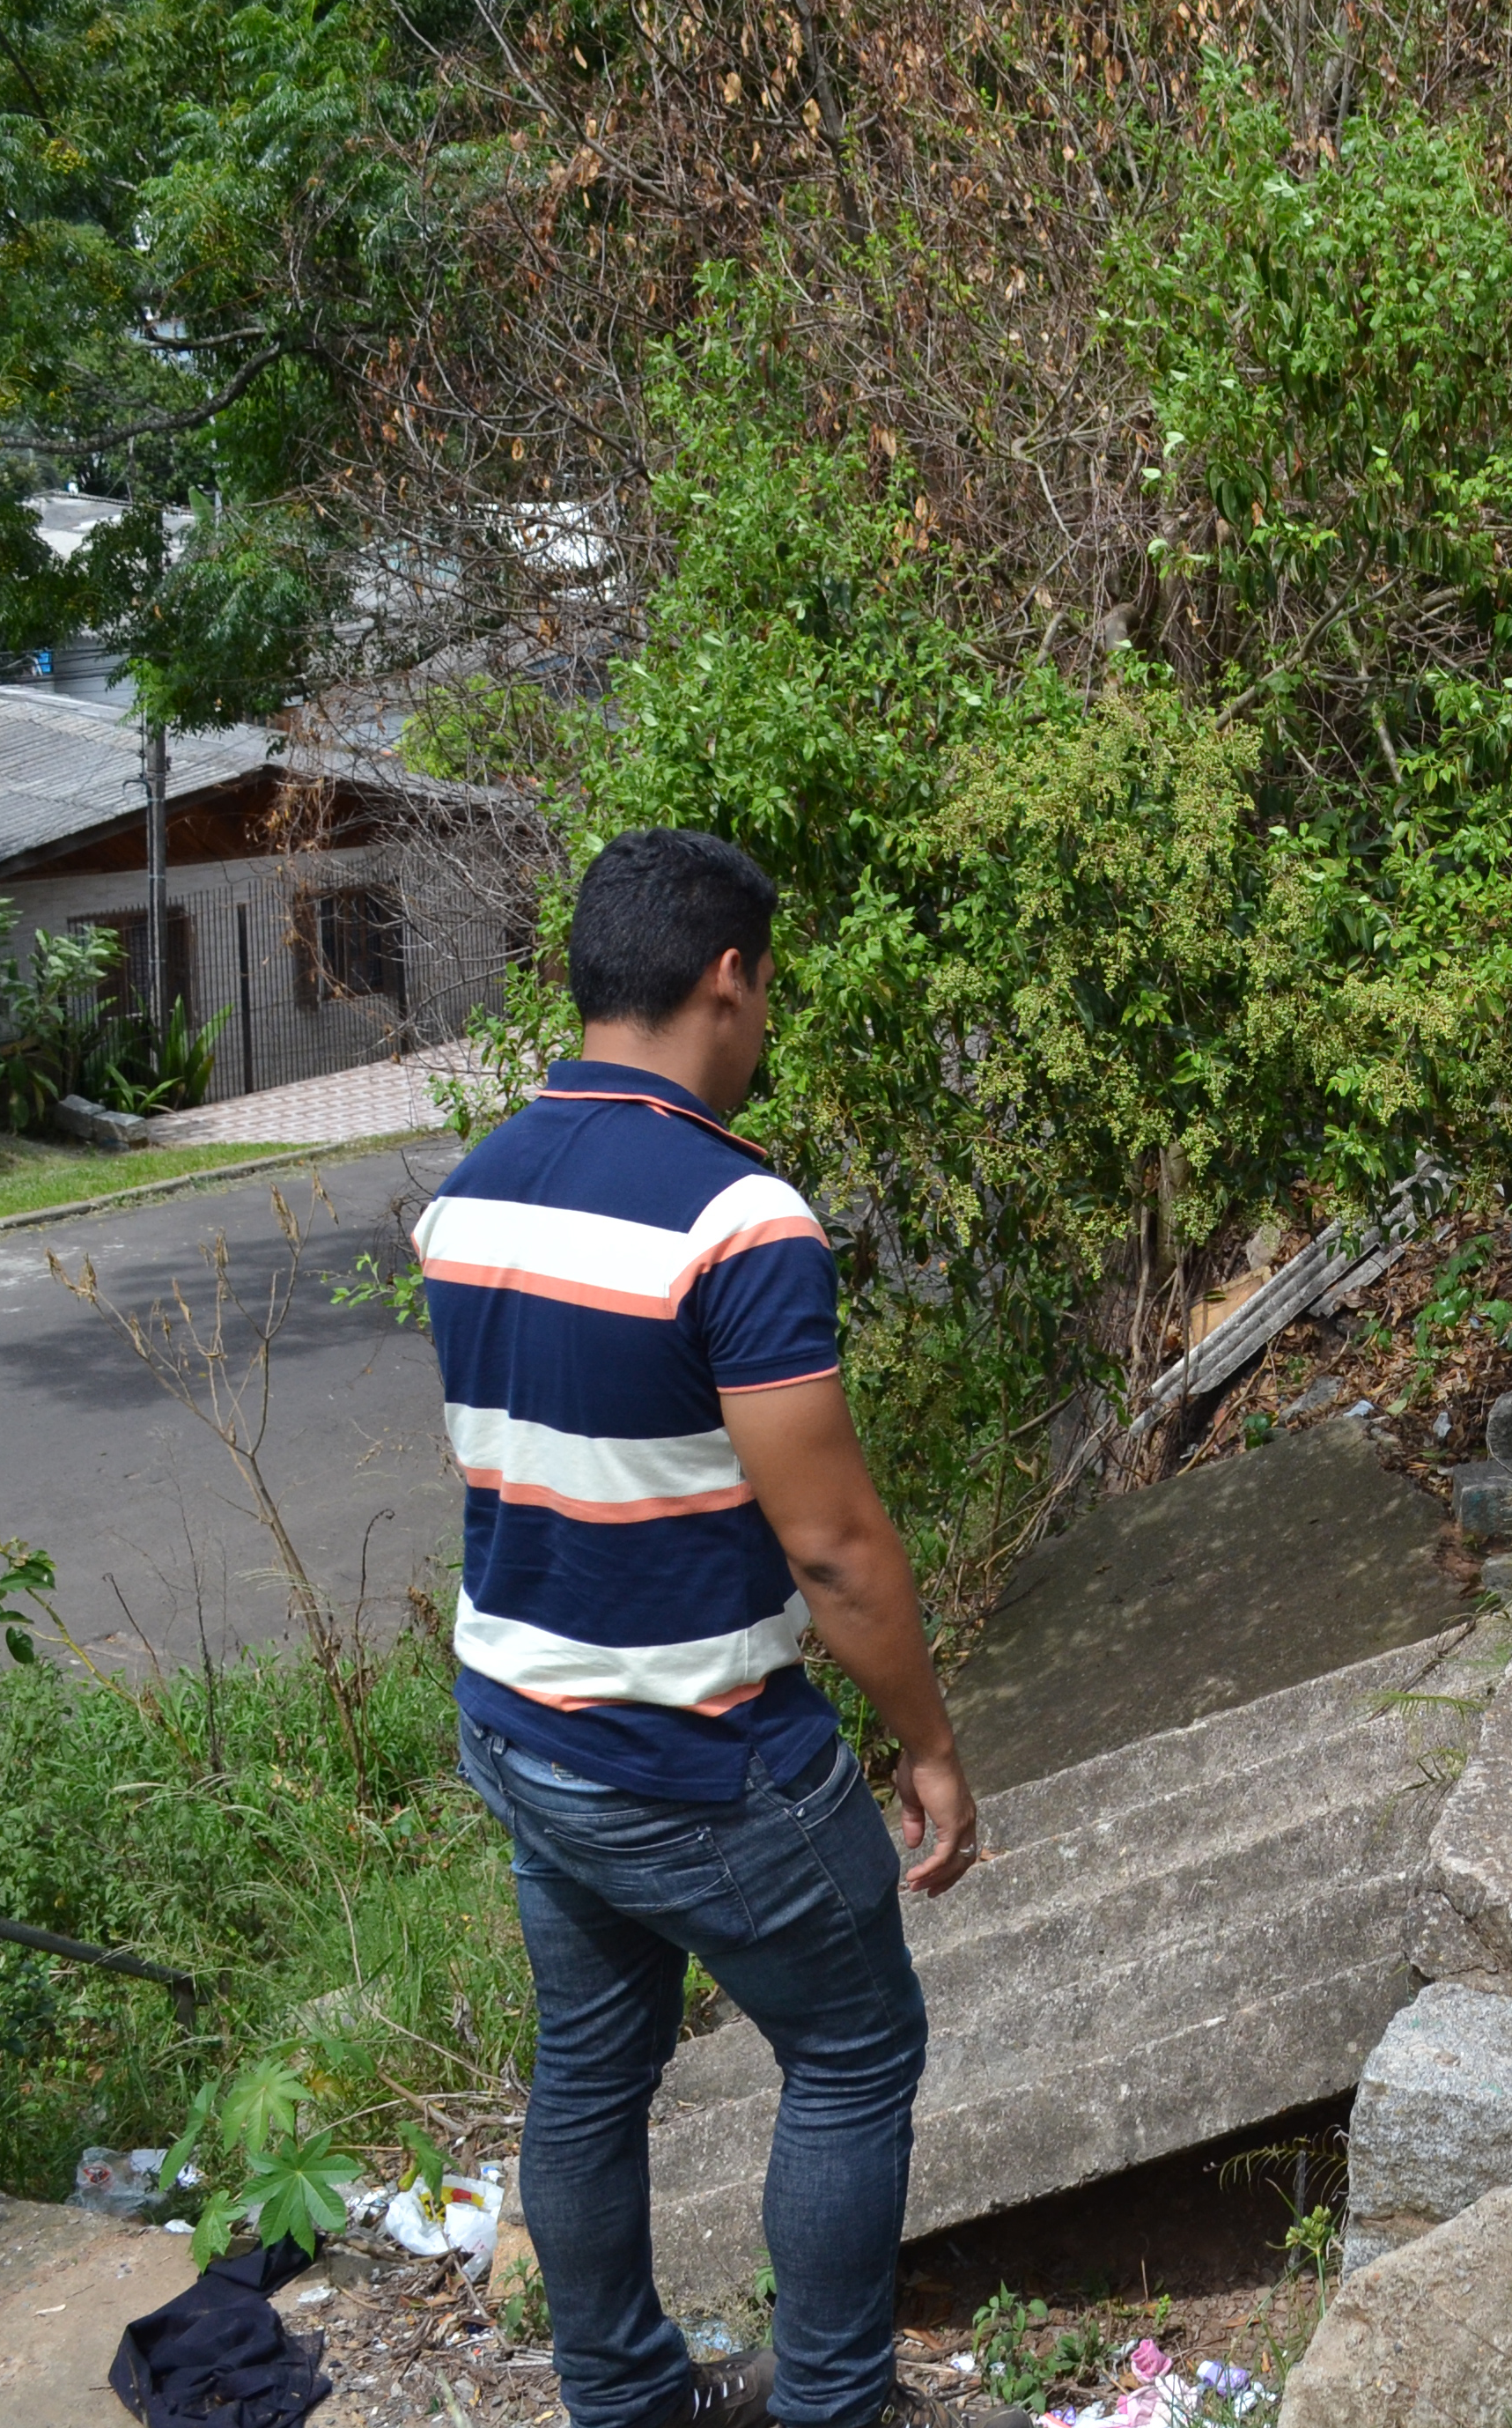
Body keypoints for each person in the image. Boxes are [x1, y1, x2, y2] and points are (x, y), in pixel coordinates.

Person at [418, 827, 983, 2428]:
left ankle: (620, 2399)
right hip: (702, 1757)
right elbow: (837, 1549)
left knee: (593, 2073)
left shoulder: (467, 1197)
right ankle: (828, 2408)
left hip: (523, 1730)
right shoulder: (739, 1221)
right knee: (858, 2052)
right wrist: (928, 1748)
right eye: (769, 991)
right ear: (728, 978)